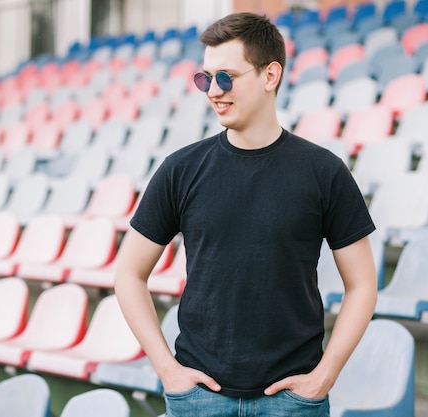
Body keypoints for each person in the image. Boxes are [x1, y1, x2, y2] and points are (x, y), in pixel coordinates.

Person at [114, 12, 378, 417]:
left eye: (226, 77)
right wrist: (168, 370)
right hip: (197, 396)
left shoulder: (324, 171)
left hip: (293, 401)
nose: (213, 91)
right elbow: (128, 275)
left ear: (270, 75)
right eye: (205, 79)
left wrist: (324, 376)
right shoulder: (180, 169)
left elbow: (362, 285)